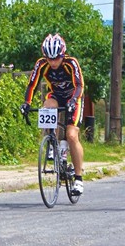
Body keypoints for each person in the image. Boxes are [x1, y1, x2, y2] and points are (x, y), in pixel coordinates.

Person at [20, 33, 85, 195]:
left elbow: (79, 85)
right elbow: (32, 85)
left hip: (73, 97)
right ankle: (52, 143)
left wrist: (73, 100)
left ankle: (78, 179)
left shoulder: (72, 63)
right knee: (48, 105)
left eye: (56, 58)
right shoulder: (41, 64)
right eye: (49, 59)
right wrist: (27, 103)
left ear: (62, 55)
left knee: (71, 135)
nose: (53, 62)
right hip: (56, 95)